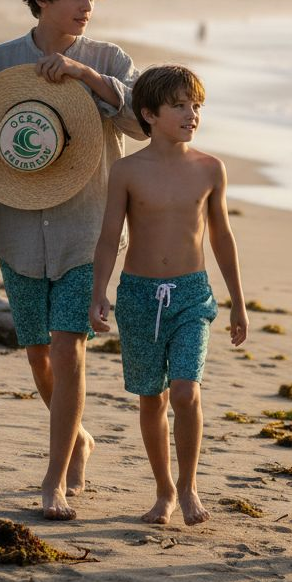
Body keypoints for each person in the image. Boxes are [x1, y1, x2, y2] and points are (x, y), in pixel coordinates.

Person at [0, 0, 145, 520]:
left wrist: (87, 76)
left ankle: (55, 477)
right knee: (39, 353)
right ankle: (77, 436)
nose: (87, 5)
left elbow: (139, 120)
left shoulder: (110, 57)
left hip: (89, 230)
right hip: (17, 229)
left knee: (70, 346)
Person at [90, 64, 248, 526]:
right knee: (151, 398)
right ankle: (164, 493)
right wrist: (99, 291)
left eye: (195, 105)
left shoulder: (209, 168)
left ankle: (189, 485)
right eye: (179, 105)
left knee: (185, 391)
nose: (191, 113)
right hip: (138, 295)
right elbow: (108, 237)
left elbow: (222, 237)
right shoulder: (126, 170)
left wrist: (237, 300)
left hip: (192, 296)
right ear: (149, 113)